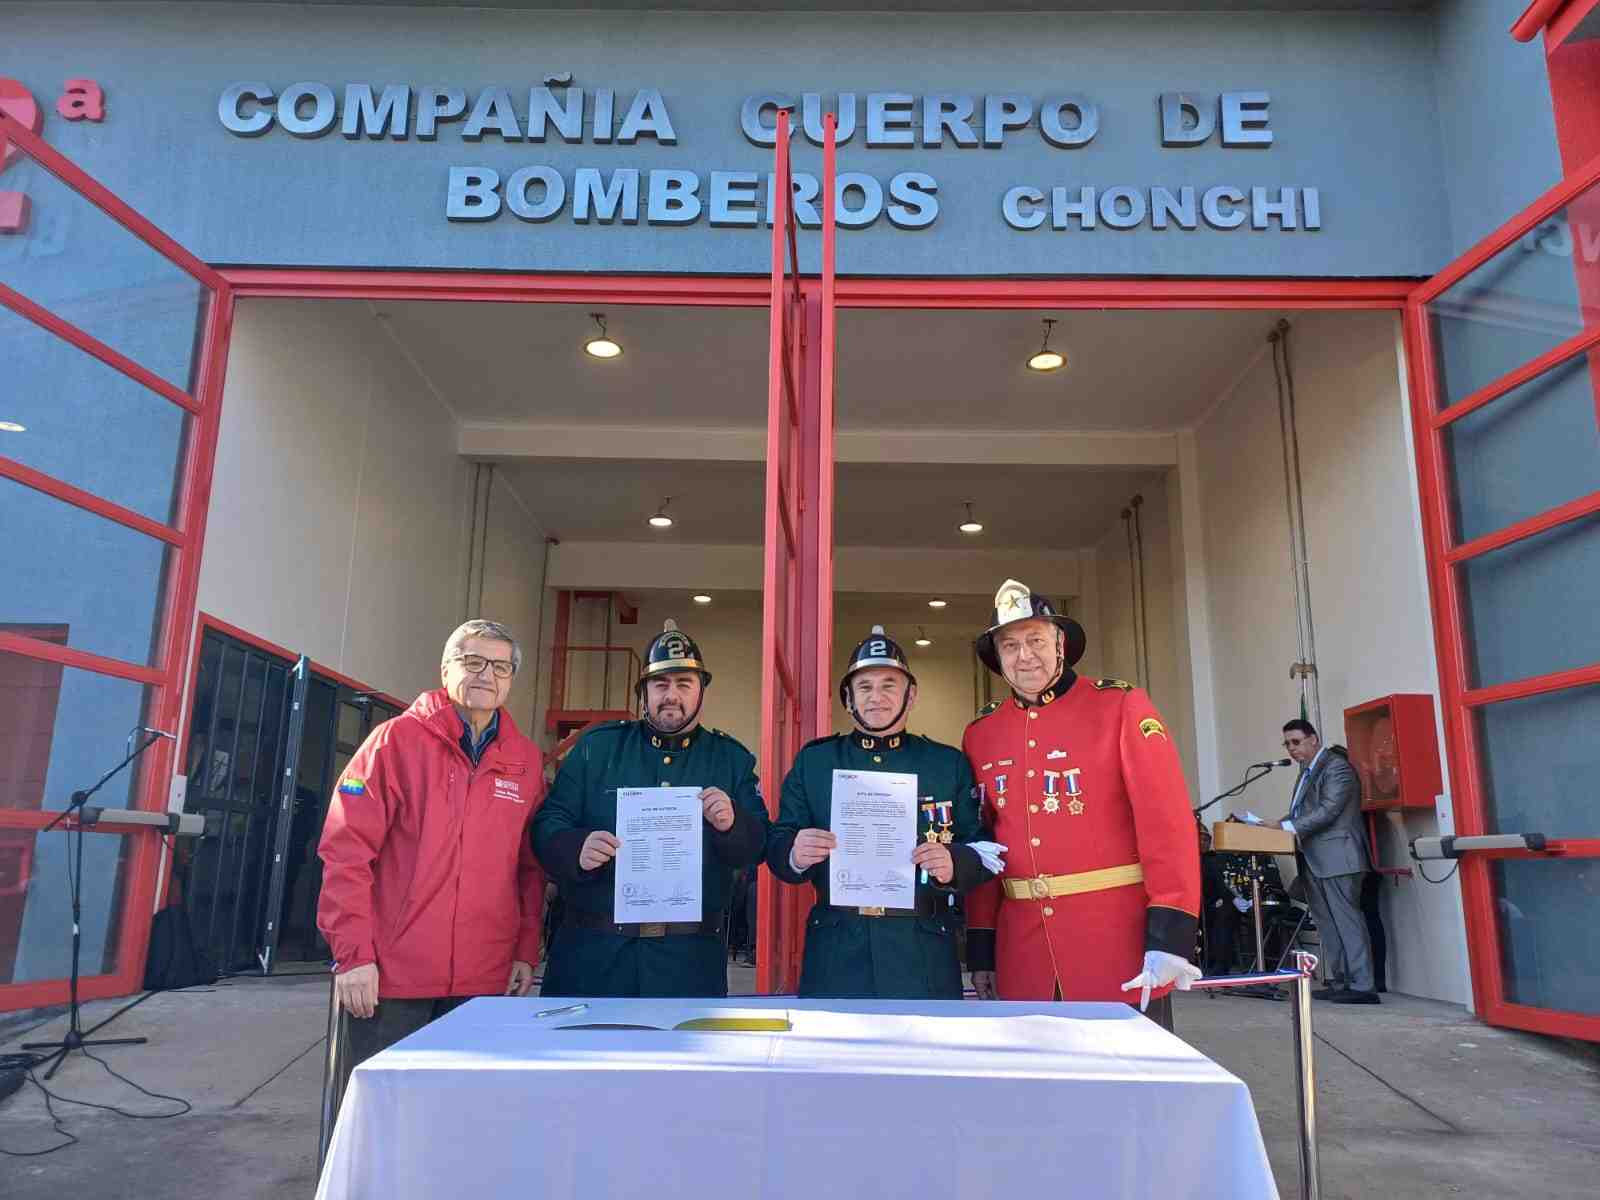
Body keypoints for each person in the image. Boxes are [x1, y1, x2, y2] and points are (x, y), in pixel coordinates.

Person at [962, 579, 1201, 1029]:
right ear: (997, 658)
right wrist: (982, 948)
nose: (1024, 655)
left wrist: (1170, 936)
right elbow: (985, 850)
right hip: (1023, 952)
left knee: (1131, 1088)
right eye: (1009, 645)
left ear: (1061, 644)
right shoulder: (981, 733)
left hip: (1114, 944)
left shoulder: (1121, 705)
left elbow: (1166, 825)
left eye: (1036, 640)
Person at [317, 619, 546, 1065]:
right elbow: (346, 853)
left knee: (465, 1117)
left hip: (484, 977)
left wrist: (524, 950)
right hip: (391, 978)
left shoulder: (526, 762)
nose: (486, 675)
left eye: (501, 667)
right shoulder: (394, 743)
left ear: (511, 680)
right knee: (378, 1118)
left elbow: (529, 868)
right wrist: (353, 956)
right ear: (445, 670)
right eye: (473, 661)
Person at [532, 620, 769, 997]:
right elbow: (548, 823)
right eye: (661, 685)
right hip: (594, 957)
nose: (671, 695)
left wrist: (732, 823)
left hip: (688, 963)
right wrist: (577, 848)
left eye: (683, 684)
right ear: (644, 692)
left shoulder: (731, 760)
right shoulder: (598, 749)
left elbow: (758, 845)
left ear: (700, 692)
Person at [767, 627, 991, 998]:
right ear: (848, 698)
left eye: (889, 685)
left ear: (911, 695)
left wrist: (955, 863)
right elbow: (776, 842)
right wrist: (793, 853)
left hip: (921, 950)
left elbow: (982, 846)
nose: (877, 698)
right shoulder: (816, 761)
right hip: (837, 949)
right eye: (864, 687)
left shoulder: (945, 763)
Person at [1278, 718, 1379, 1003]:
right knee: (1326, 923)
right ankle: (1340, 980)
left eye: (1296, 742)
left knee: (1347, 921)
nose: (1291, 749)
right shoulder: (1306, 772)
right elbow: (1302, 812)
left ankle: (1362, 985)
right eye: (1287, 744)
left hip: (1339, 857)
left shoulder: (1336, 767)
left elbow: (1328, 810)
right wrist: (1273, 824)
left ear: (1314, 739)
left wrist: (1286, 827)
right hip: (1313, 858)